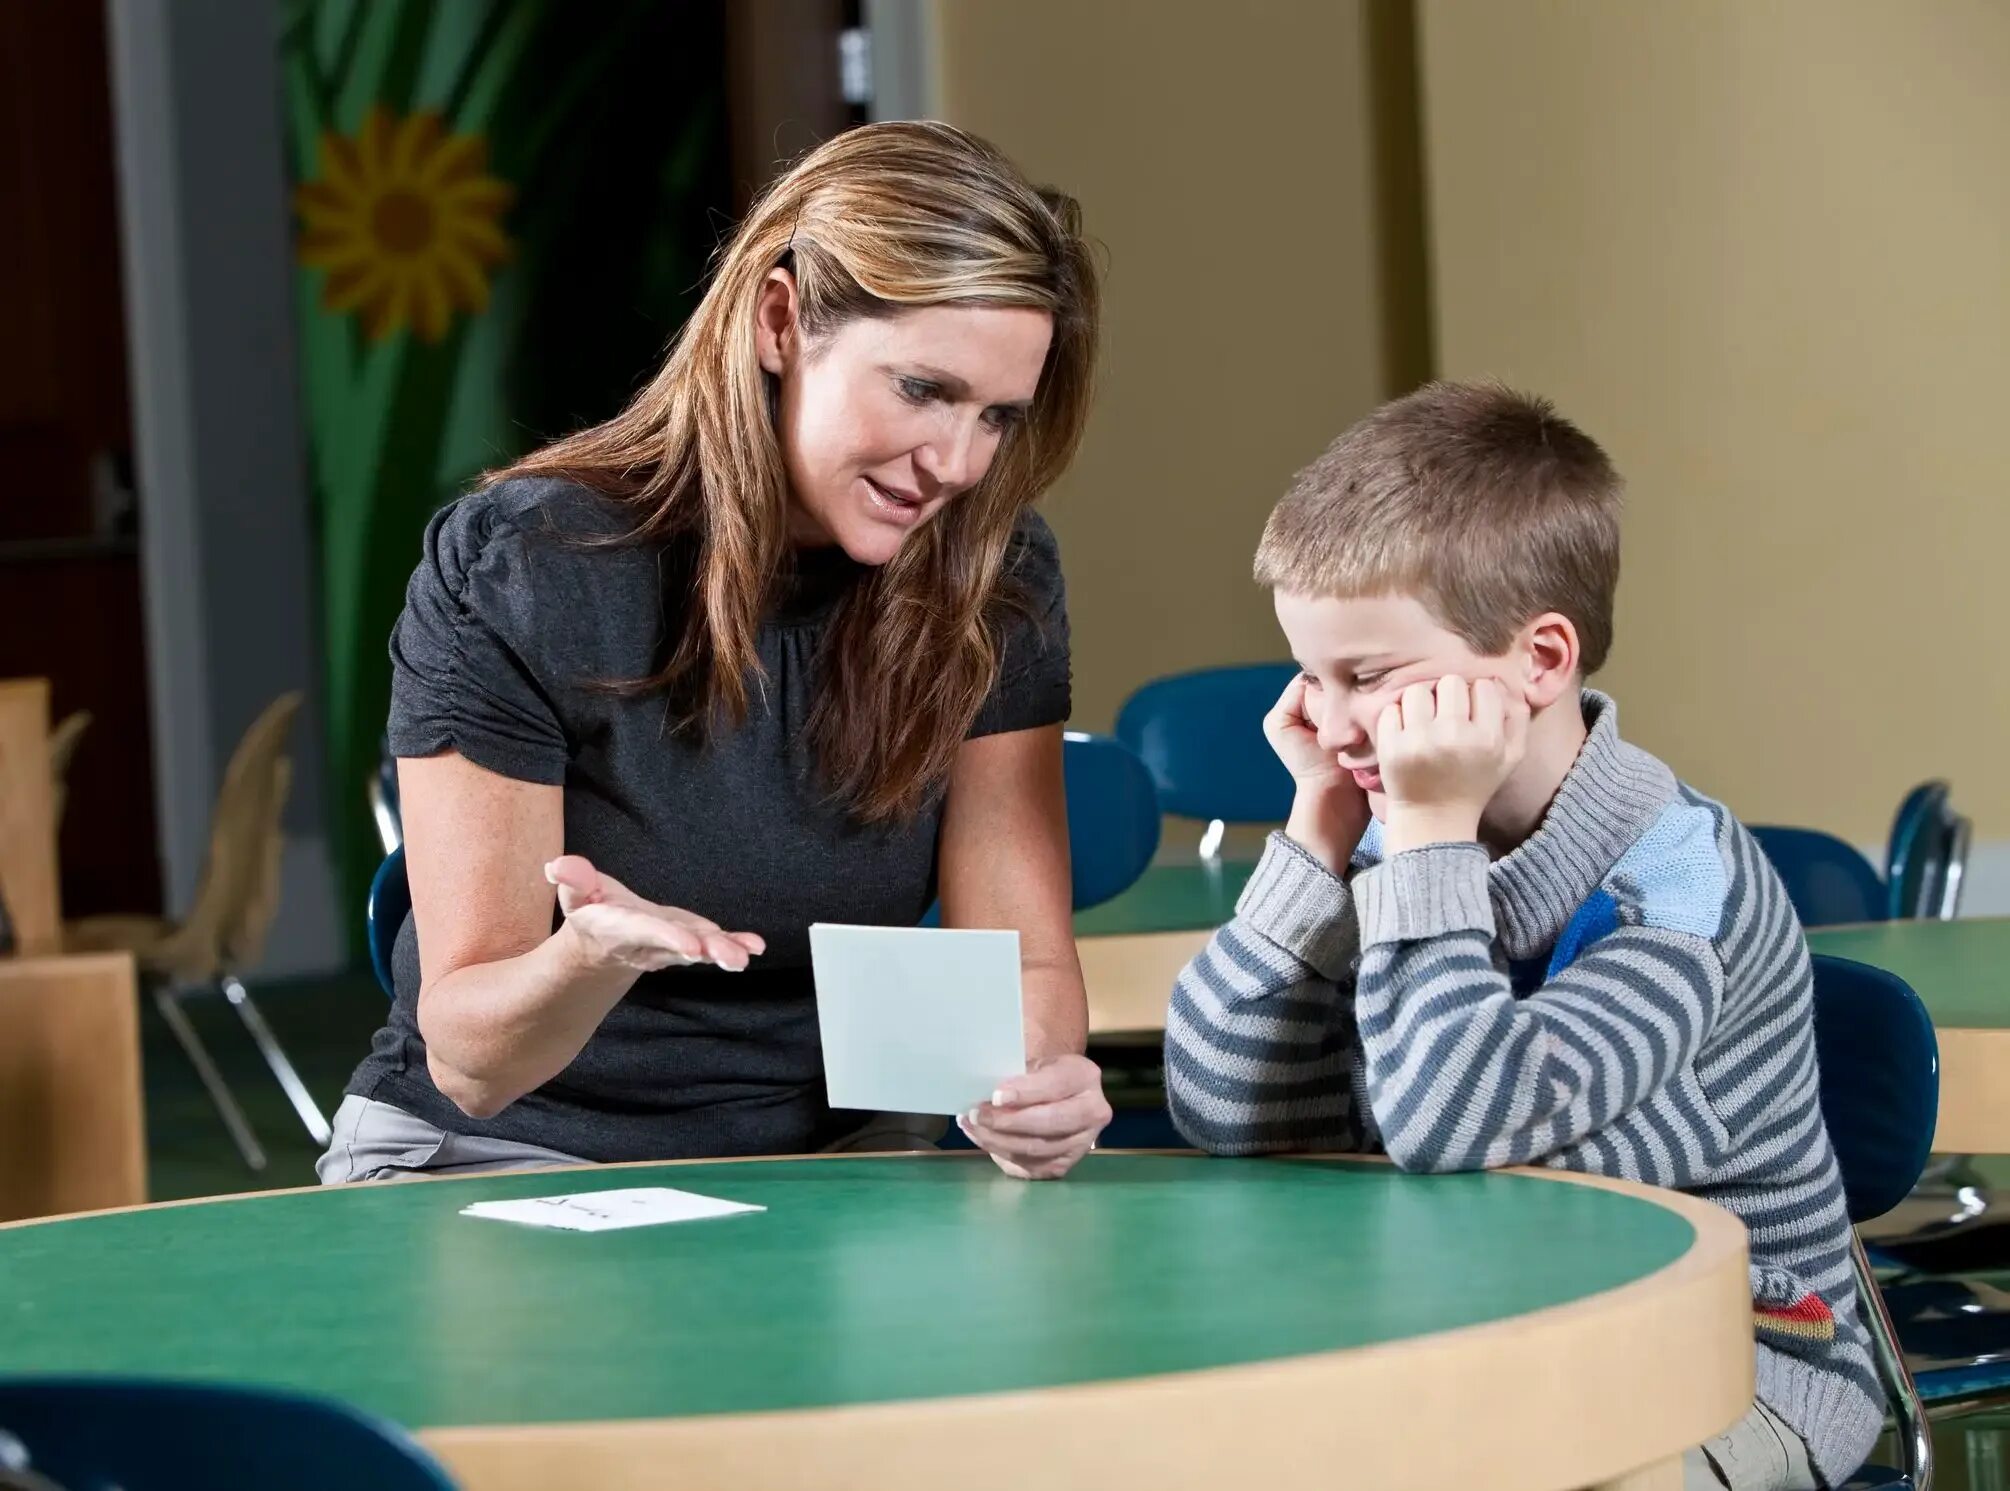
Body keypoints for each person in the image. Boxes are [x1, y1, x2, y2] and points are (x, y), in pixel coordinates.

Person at [318, 122, 1110, 1186]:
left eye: (998, 416)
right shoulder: (529, 565)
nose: (958, 464)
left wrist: (1038, 1082)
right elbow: (469, 1060)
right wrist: (589, 959)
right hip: (507, 1149)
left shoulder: (994, 573)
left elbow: (1024, 963)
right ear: (780, 321)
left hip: (833, 1164)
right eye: (922, 390)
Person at [1163, 382, 1880, 1489]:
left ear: (1540, 661)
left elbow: (1458, 1130)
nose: (1335, 720)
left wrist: (1432, 840)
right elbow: (1233, 1112)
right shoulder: (1387, 843)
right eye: (1311, 676)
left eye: (1371, 675)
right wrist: (1318, 829)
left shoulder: (1679, 886)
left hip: (1728, 1370)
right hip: (1475, 1339)